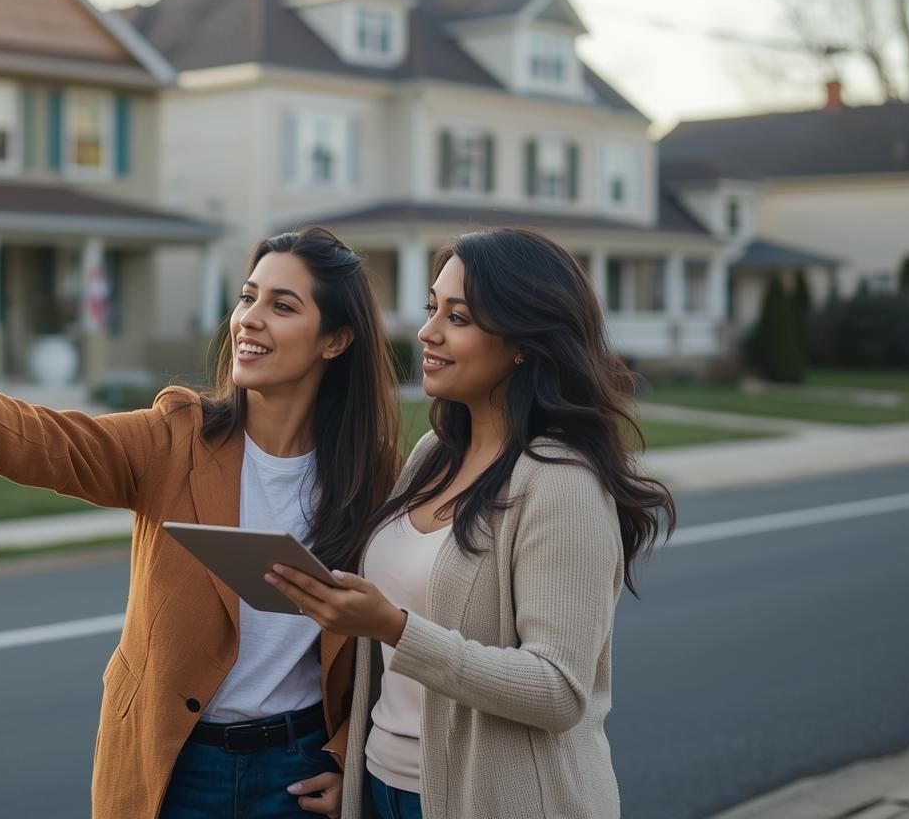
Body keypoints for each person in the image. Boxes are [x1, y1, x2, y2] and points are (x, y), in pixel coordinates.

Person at [0, 228, 401, 819]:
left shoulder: (372, 476)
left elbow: (395, 642)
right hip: (175, 770)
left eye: (282, 307)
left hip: (298, 776)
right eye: (247, 297)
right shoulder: (176, 438)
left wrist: (346, 757)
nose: (249, 320)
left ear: (336, 340)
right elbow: (27, 438)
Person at [267, 228, 676, 819]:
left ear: (523, 342)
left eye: (457, 317)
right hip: (384, 790)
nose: (427, 332)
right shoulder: (434, 454)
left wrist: (395, 628)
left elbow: (559, 690)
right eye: (433, 309)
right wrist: (359, 776)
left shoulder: (560, 480)